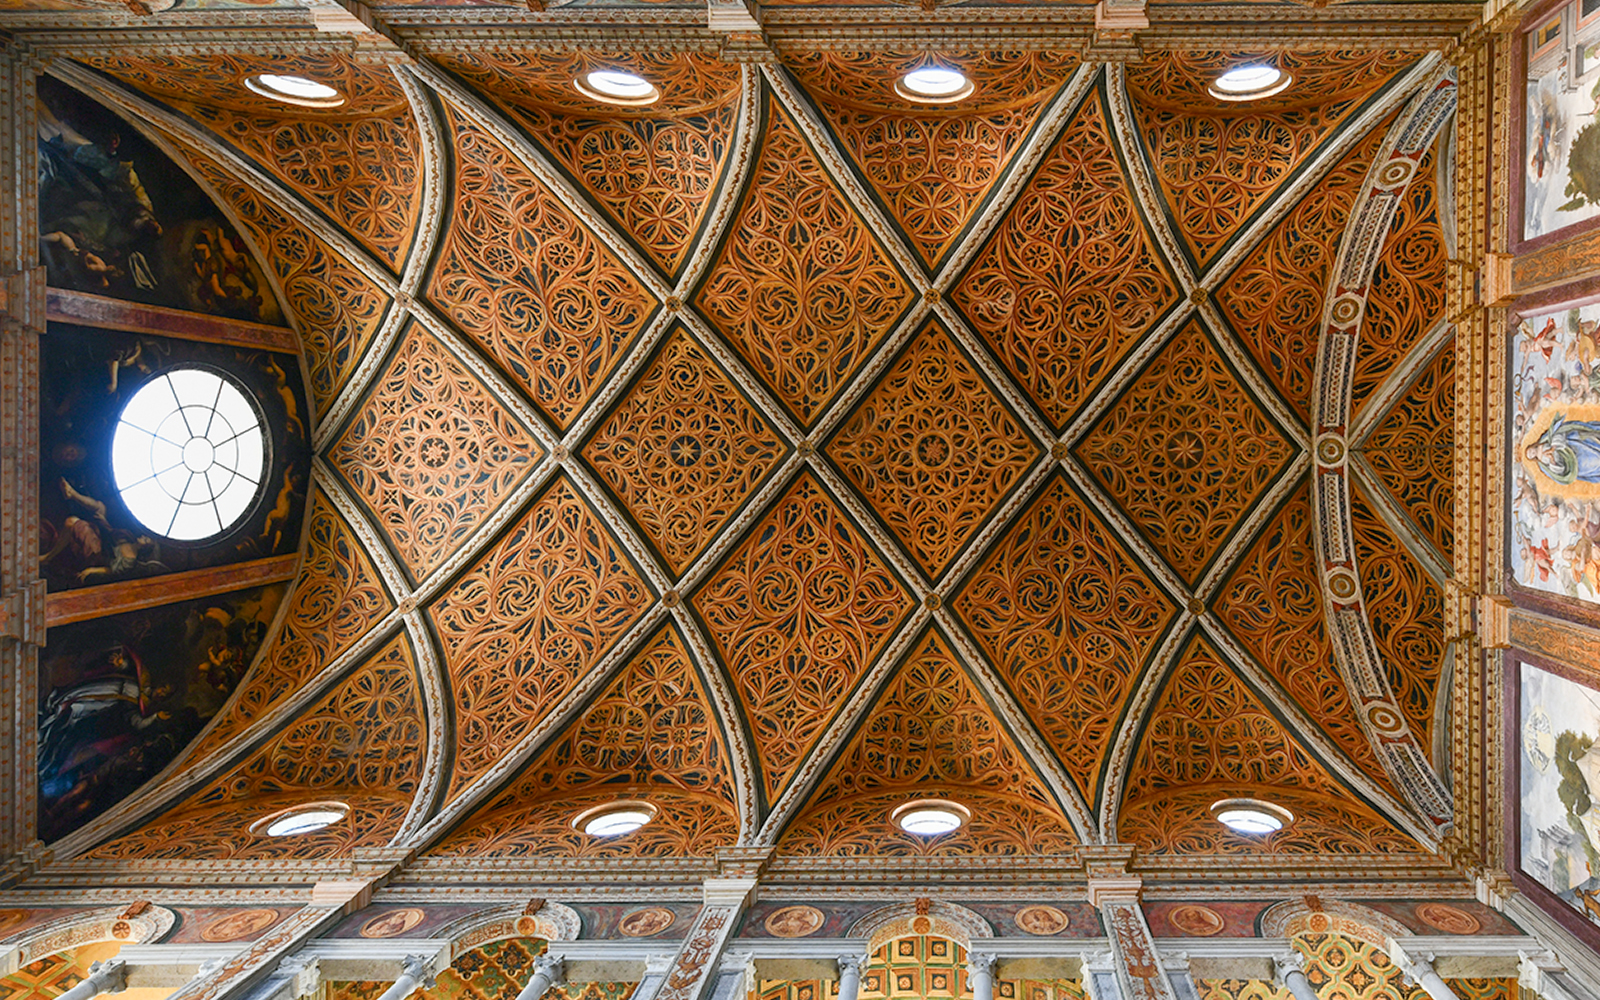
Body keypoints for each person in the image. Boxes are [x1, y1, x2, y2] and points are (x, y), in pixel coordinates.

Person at [1527, 414, 1600, 486]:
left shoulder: (1543, 440)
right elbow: (1556, 473)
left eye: (1530, 451)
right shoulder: (1542, 465)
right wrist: (1553, 460)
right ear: (1533, 458)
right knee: (1593, 463)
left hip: (1571, 447)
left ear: (1531, 446)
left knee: (1592, 449)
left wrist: (1554, 447)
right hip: (1570, 461)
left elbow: (1557, 434)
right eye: (1531, 455)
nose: (1532, 453)